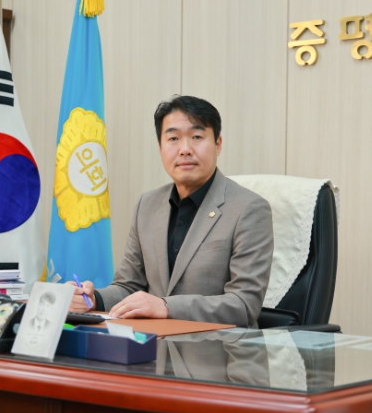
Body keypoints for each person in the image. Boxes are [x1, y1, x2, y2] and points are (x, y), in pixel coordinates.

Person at [68, 95, 273, 327]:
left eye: (197, 137)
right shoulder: (147, 205)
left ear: (218, 144)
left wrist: (166, 306)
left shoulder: (248, 209)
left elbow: (244, 305)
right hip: (152, 344)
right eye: (173, 138)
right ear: (160, 147)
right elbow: (129, 286)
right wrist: (93, 299)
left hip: (218, 346)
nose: (185, 149)